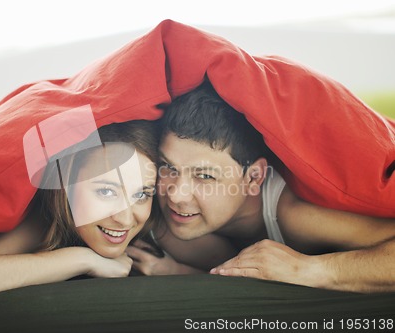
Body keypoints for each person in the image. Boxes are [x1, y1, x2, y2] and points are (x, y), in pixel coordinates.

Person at [127, 80, 395, 293]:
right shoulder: (167, 225)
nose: (175, 194)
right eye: (169, 167)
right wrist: (177, 273)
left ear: (254, 178)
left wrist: (308, 269)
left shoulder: (296, 214)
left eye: (205, 177)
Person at [0, 119, 160, 302]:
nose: (125, 218)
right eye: (106, 192)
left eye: (141, 195)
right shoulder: (41, 220)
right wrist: (82, 259)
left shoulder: (157, 224)